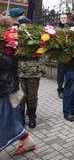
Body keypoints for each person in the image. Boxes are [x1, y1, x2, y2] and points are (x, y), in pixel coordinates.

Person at [0, 18, 36, 155]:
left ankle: (28, 142)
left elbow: (8, 63)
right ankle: (28, 142)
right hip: (5, 88)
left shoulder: (11, 43)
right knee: (8, 119)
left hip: (5, 88)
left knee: (5, 119)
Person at [17, 18, 46, 128]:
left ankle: (32, 116)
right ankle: (21, 117)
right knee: (21, 96)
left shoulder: (36, 37)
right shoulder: (15, 38)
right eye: (21, 25)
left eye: (25, 25)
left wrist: (41, 70)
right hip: (19, 71)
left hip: (33, 71)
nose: (23, 27)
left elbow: (43, 53)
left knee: (32, 95)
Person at [56, 13, 69, 99]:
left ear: (67, 19)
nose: (63, 19)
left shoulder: (69, 28)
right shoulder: (57, 28)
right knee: (60, 72)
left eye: (64, 18)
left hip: (68, 53)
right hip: (60, 53)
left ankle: (66, 88)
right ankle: (60, 89)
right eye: (61, 18)